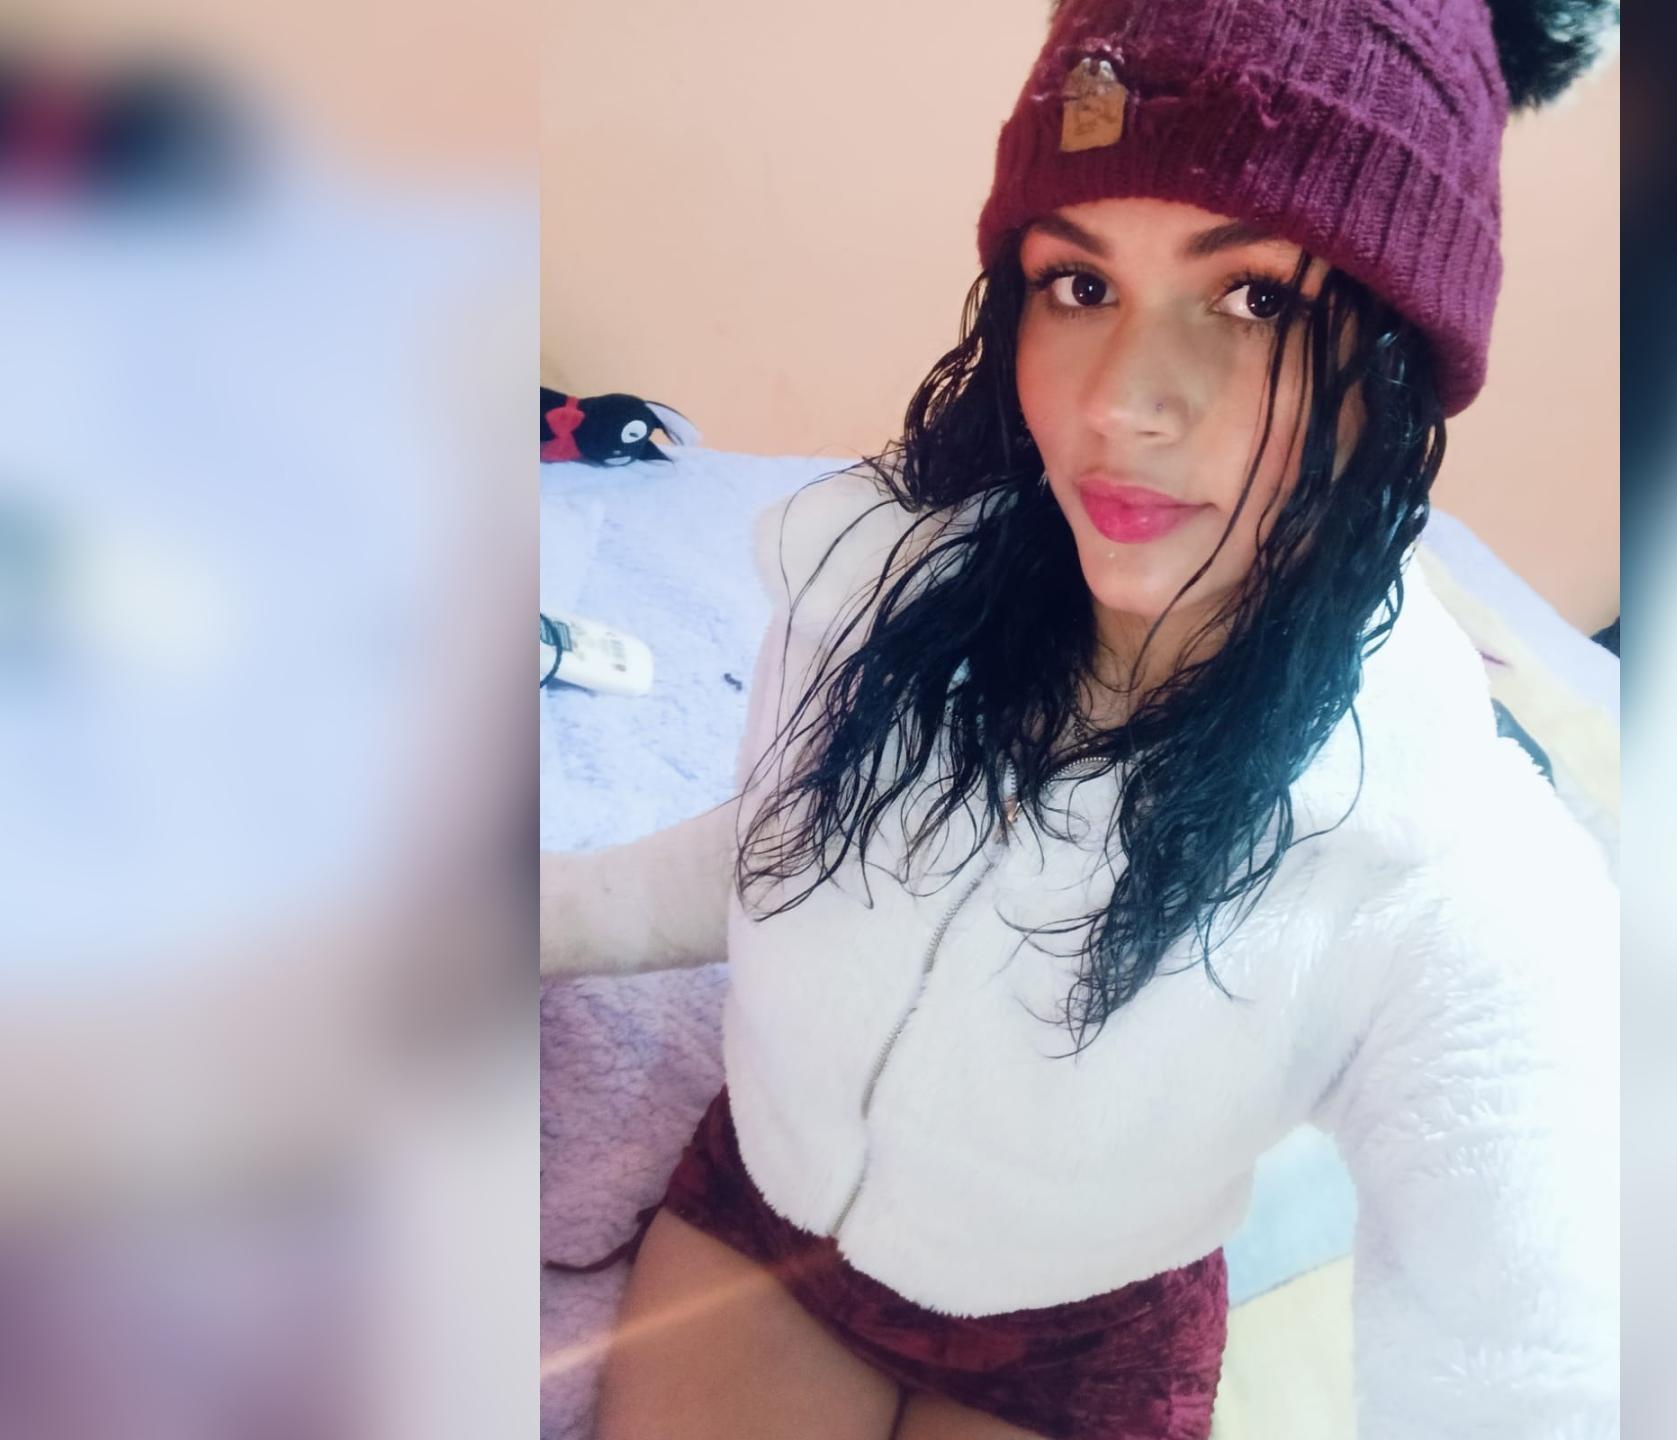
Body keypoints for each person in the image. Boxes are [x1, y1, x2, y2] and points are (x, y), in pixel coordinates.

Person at [542, 1, 1618, 1435]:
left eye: (1257, 300)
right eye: (1080, 283)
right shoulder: (874, 586)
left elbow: (1531, 1345)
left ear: (1398, 363)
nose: (1119, 405)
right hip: (772, 1213)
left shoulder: (1437, 856)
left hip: (1077, 1333)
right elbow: (786, 855)